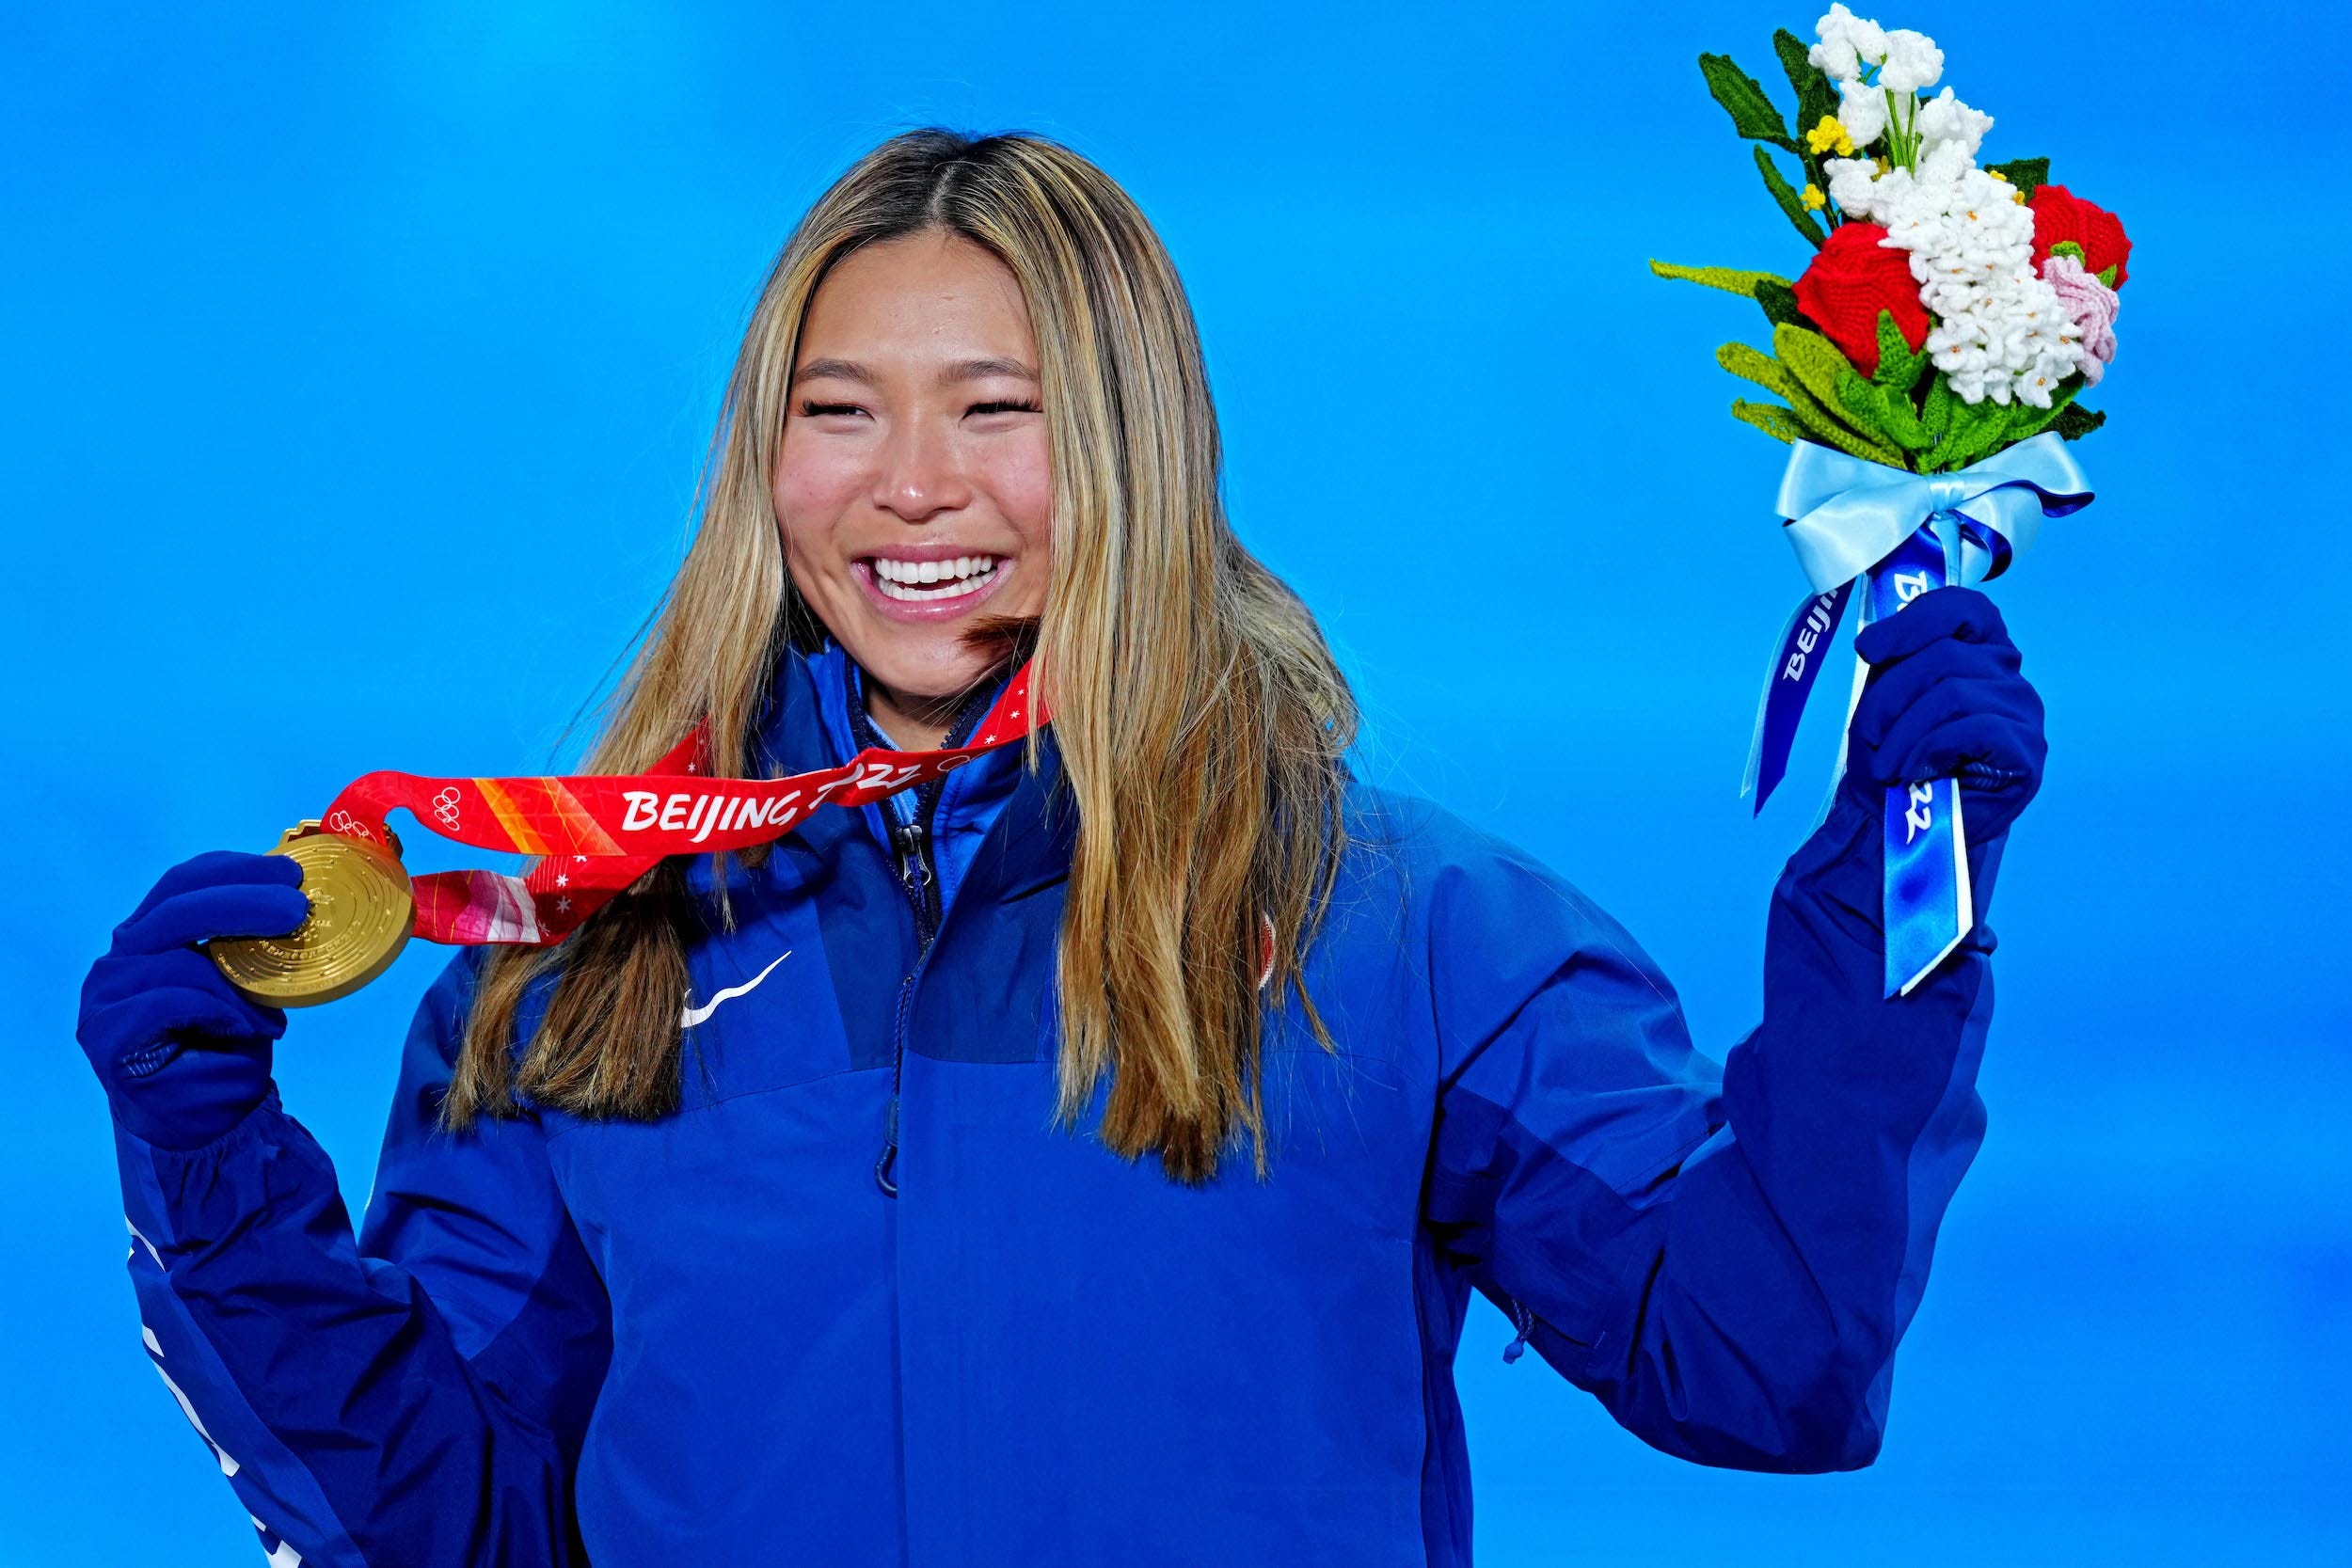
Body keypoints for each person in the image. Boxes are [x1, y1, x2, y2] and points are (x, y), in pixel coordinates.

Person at [77, 129, 2046, 1568]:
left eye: (993, 411)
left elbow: (1767, 1359)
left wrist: (1899, 880)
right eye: (835, 412)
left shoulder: (1403, 933)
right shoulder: (593, 962)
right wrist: (212, 1174)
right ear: (763, 466)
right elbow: (449, 1536)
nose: (910, 485)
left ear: (1129, 443)